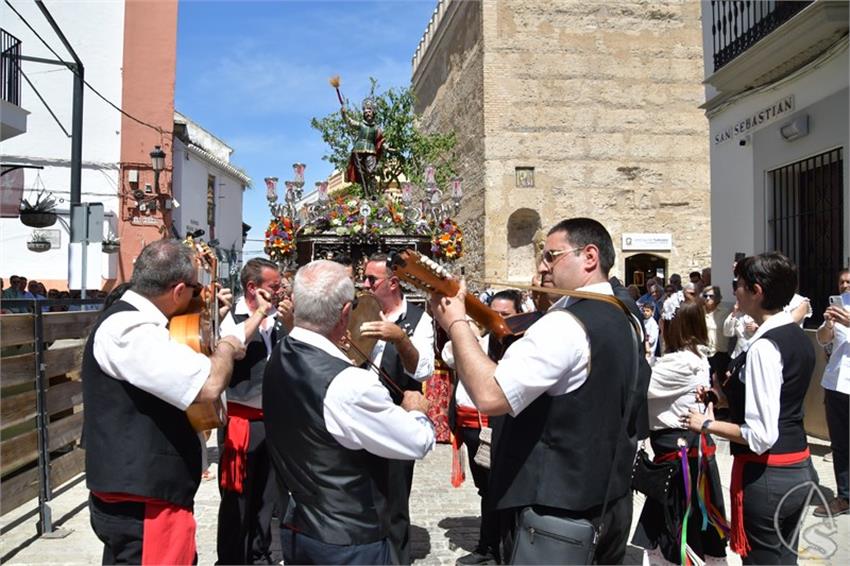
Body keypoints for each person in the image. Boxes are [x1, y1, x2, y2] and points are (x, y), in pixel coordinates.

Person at [430, 217, 644, 564]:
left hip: (556, 515)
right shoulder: (625, 316)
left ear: (589, 257)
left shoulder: (565, 324)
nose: (542, 267)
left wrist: (455, 321)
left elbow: (490, 395)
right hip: (610, 502)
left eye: (550, 256)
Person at [81, 239, 245, 564]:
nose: (197, 297)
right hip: (145, 500)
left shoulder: (141, 323)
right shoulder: (128, 329)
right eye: (195, 289)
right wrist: (227, 346)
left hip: (146, 494)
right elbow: (209, 385)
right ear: (178, 290)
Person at [263, 260, 435, 564]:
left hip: (298, 527)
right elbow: (418, 442)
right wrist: (416, 410)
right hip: (347, 540)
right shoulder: (349, 383)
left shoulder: (279, 354)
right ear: (346, 314)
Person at [685, 252, 816, 564]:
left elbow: (760, 435)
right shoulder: (794, 336)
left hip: (768, 476)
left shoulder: (764, 347)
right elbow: (780, 400)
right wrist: (726, 397)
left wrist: (705, 424)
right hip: (797, 468)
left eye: (739, 284)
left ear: (757, 291)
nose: (734, 291)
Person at [632, 301, 727, 564]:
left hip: (679, 459)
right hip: (683, 450)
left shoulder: (679, 363)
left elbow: (637, 386)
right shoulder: (696, 356)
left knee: (678, 529)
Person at [360, 253, 435, 564]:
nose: (364, 285)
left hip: (396, 421)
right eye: (363, 278)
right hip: (361, 417)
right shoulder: (359, 313)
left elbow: (424, 371)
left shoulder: (419, 319)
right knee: (361, 497)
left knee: (394, 500)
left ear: (392, 283)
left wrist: (401, 339)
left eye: (371, 280)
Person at [442, 289, 522, 565]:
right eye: (493, 313)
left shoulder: (522, 348)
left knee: (505, 490)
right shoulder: (479, 342)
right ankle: (489, 546)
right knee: (486, 490)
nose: (498, 319)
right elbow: (450, 355)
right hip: (475, 429)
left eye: (506, 315)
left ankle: (507, 548)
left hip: (504, 429)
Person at [216, 258, 287, 565]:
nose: (280, 291)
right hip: (242, 422)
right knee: (237, 501)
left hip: (274, 422)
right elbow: (233, 344)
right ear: (252, 288)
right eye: (274, 286)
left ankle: (260, 556)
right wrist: (259, 312)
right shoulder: (231, 319)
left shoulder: (282, 320)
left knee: (266, 499)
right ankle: (232, 559)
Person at [813, 268, 850, 517]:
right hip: (837, 383)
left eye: (849, 281)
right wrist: (828, 324)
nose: (845, 286)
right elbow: (823, 340)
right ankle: (845, 496)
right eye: (841, 282)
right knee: (840, 443)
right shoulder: (838, 307)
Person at [343, 97, 385, 198]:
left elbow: (381, 140)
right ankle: (365, 194)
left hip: (371, 150)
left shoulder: (377, 128)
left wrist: (385, 146)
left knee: (371, 172)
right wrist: (344, 114)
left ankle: (374, 193)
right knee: (361, 174)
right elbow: (350, 122)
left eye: (369, 111)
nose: (368, 113)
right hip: (358, 150)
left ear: (373, 112)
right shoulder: (361, 125)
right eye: (366, 112)